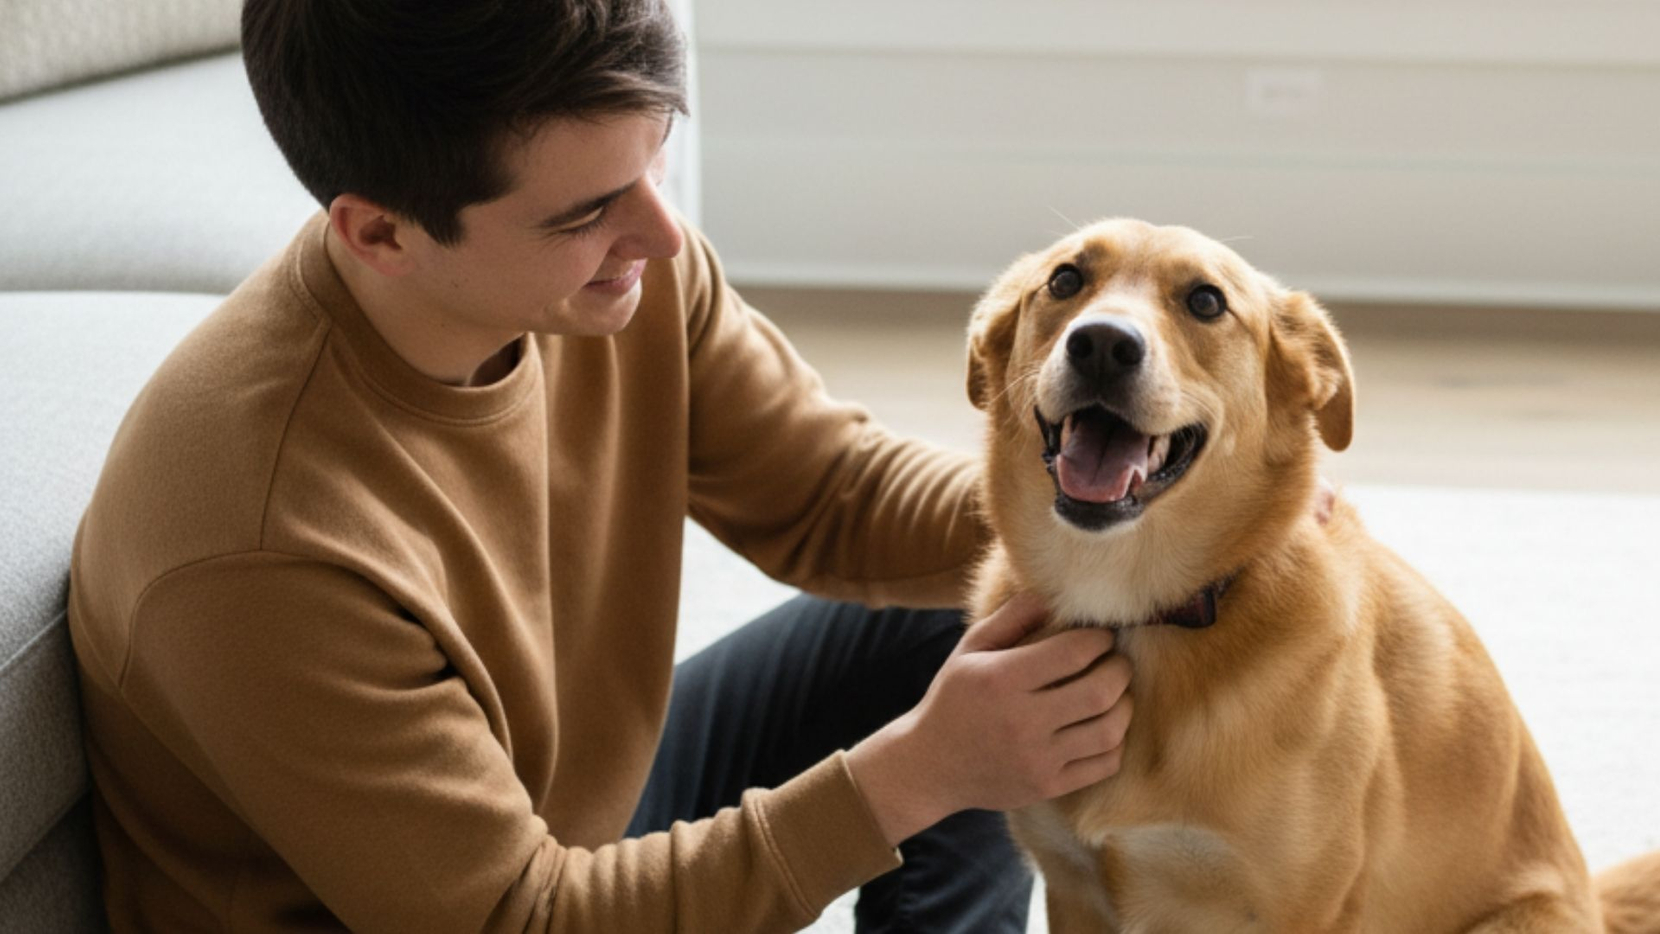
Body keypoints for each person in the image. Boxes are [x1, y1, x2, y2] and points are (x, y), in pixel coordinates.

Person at [66, 1, 1135, 931]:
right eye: (585, 213)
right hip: (500, 908)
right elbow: (520, 915)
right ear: (379, 233)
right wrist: (921, 773)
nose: (663, 236)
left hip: (580, 819)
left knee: (996, 600)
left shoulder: (617, 276)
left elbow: (830, 493)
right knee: (959, 721)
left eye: (654, 156)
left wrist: (1156, 518)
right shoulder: (262, 546)